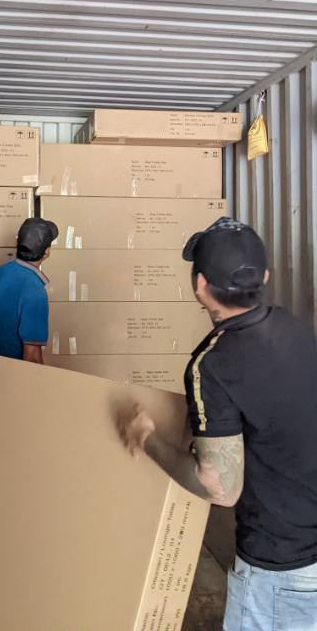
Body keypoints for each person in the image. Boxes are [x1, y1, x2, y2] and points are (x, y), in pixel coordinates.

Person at [116, 217, 317, 631]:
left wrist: (147, 438)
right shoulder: (295, 329)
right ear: (264, 276)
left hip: (279, 567)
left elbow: (221, 488)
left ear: (200, 286)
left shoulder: (214, 364)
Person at [0, 216, 58, 363]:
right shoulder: (35, 290)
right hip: (11, 371)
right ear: (46, 252)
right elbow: (32, 355)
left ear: (17, 242)